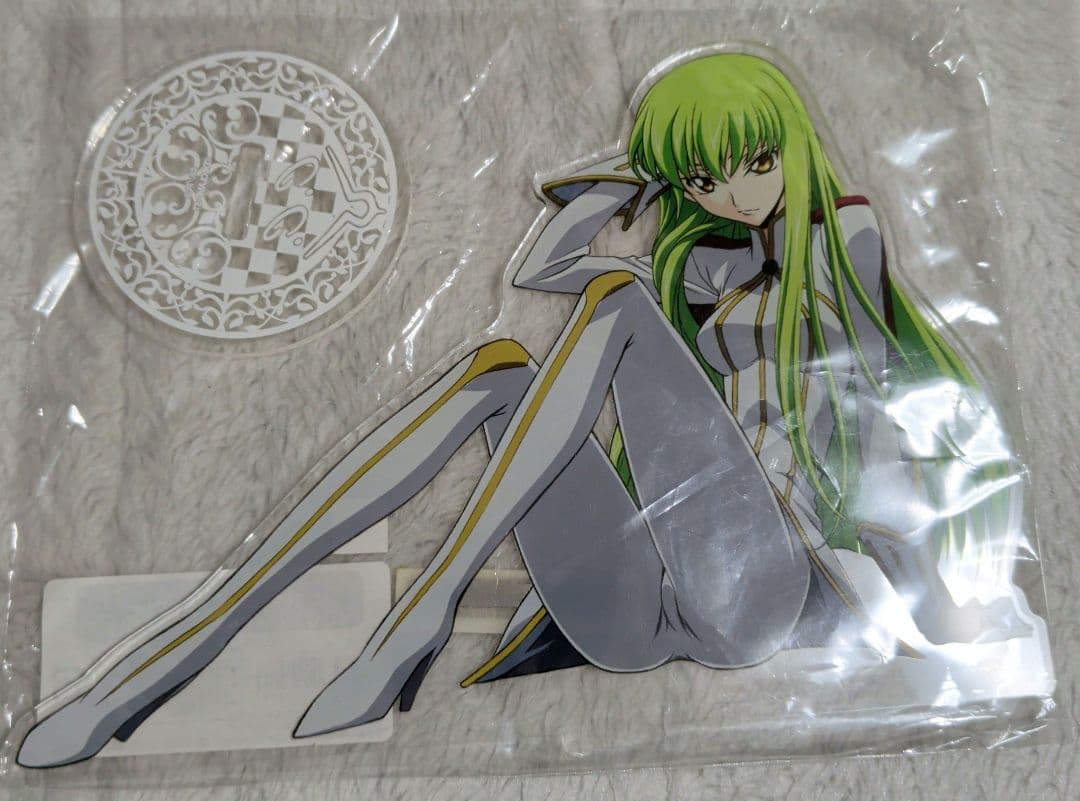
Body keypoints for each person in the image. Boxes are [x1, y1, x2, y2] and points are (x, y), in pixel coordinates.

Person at [16, 52, 1033, 769]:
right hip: (639, 614)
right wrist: (634, 171)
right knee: (497, 367)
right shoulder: (696, 264)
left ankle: (420, 614)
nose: (732, 193)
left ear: (792, 148)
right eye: (702, 176)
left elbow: (840, 334)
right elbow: (547, 267)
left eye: (754, 163)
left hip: (767, 589)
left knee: (617, 299)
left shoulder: (841, 238)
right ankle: (173, 650)